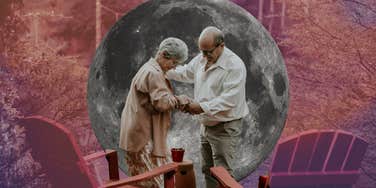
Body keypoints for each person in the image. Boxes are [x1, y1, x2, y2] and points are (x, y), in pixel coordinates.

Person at [166, 26, 249, 188]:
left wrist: (201, 107)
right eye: (201, 51)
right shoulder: (203, 57)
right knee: (208, 170)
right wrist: (164, 69)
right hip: (206, 125)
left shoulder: (235, 66)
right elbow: (186, 73)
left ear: (221, 46)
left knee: (223, 174)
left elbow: (229, 100)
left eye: (208, 52)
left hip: (225, 127)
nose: (204, 56)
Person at [119, 37, 189, 188]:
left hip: (138, 135)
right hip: (142, 138)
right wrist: (180, 99)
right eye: (174, 63)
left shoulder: (148, 68)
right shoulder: (154, 73)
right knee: (152, 183)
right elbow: (162, 103)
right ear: (164, 54)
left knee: (144, 179)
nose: (174, 67)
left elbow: (151, 103)